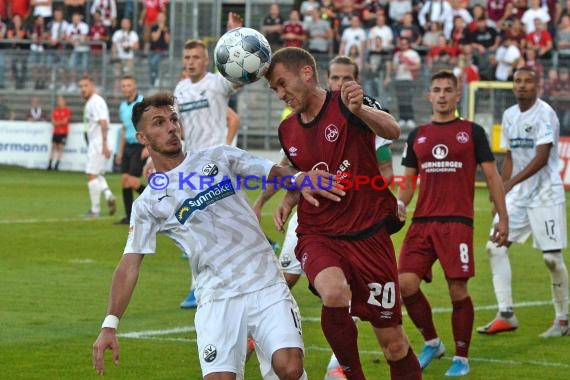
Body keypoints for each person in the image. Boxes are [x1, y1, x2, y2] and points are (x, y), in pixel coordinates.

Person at [91, 92, 344, 379]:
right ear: (142, 137)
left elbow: (270, 171)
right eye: (158, 123)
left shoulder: (218, 157)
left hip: (264, 283)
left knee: (289, 366)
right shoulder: (147, 204)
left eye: (173, 119)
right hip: (216, 298)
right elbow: (129, 264)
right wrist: (110, 324)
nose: (171, 127)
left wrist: (299, 179)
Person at [265, 47, 421, 380]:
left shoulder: (348, 103)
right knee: (334, 293)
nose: (281, 94)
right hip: (318, 233)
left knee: (393, 343)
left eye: (282, 83)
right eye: (274, 89)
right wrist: (287, 199)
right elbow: (295, 171)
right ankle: (352, 374)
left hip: (368, 235)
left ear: (306, 72)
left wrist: (361, 109)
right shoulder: (288, 129)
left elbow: (392, 131)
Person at [396, 70, 508, 377]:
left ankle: (462, 357)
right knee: (405, 284)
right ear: (429, 96)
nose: (442, 94)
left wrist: (502, 217)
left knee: (457, 290)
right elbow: (408, 182)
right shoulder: (416, 135)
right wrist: (400, 203)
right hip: (422, 222)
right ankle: (432, 342)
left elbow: (493, 175)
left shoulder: (472, 132)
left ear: (457, 95)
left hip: (457, 222)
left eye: (448, 90)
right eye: (437, 90)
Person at [477, 67, 569, 338]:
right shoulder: (509, 115)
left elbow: (542, 156)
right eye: (518, 81)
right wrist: (501, 194)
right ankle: (506, 313)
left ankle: (563, 320)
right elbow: (511, 156)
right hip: (518, 195)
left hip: (545, 193)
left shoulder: (545, 113)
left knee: (552, 259)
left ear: (537, 85)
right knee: (495, 247)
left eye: (528, 81)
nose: (522, 85)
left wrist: (510, 183)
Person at [175, 18, 242, 309]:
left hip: (215, 165)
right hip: (190, 165)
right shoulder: (179, 89)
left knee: (206, 227)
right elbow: (178, 130)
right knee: (197, 229)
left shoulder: (217, 83)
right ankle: (203, 284)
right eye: (187, 57)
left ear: (206, 60)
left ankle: (209, 285)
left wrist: (233, 35)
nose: (190, 62)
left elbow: (239, 72)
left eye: (195, 57)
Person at [79, 75, 116, 217]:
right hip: (97, 142)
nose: (83, 89)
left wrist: (105, 145)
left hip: (99, 143)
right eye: (81, 86)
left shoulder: (96, 102)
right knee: (98, 173)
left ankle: (95, 210)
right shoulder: (92, 102)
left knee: (91, 174)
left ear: (92, 86)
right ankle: (109, 196)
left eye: (86, 86)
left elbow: (103, 122)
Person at [113, 75, 145, 225]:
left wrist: (148, 147)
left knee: (133, 181)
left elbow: (149, 126)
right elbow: (125, 131)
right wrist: (120, 152)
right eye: (123, 86)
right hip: (128, 147)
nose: (126, 88)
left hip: (140, 145)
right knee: (125, 181)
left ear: (134, 87)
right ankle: (129, 217)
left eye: (128, 85)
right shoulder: (122, 107)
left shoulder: (142, 102)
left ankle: (160, 202)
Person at [47, 95, 71, 171]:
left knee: (60, 148)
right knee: (52, 147)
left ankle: (57, 165)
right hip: (56, 132)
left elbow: (65, 121)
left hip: (63, 132)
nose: (59, 102)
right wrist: (59, 122)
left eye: (60, 100)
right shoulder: (56, 110)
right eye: (58, 100)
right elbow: (53, 121)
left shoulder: (67, 110)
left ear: (64, 101)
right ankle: (50, 164)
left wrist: (57, 123)